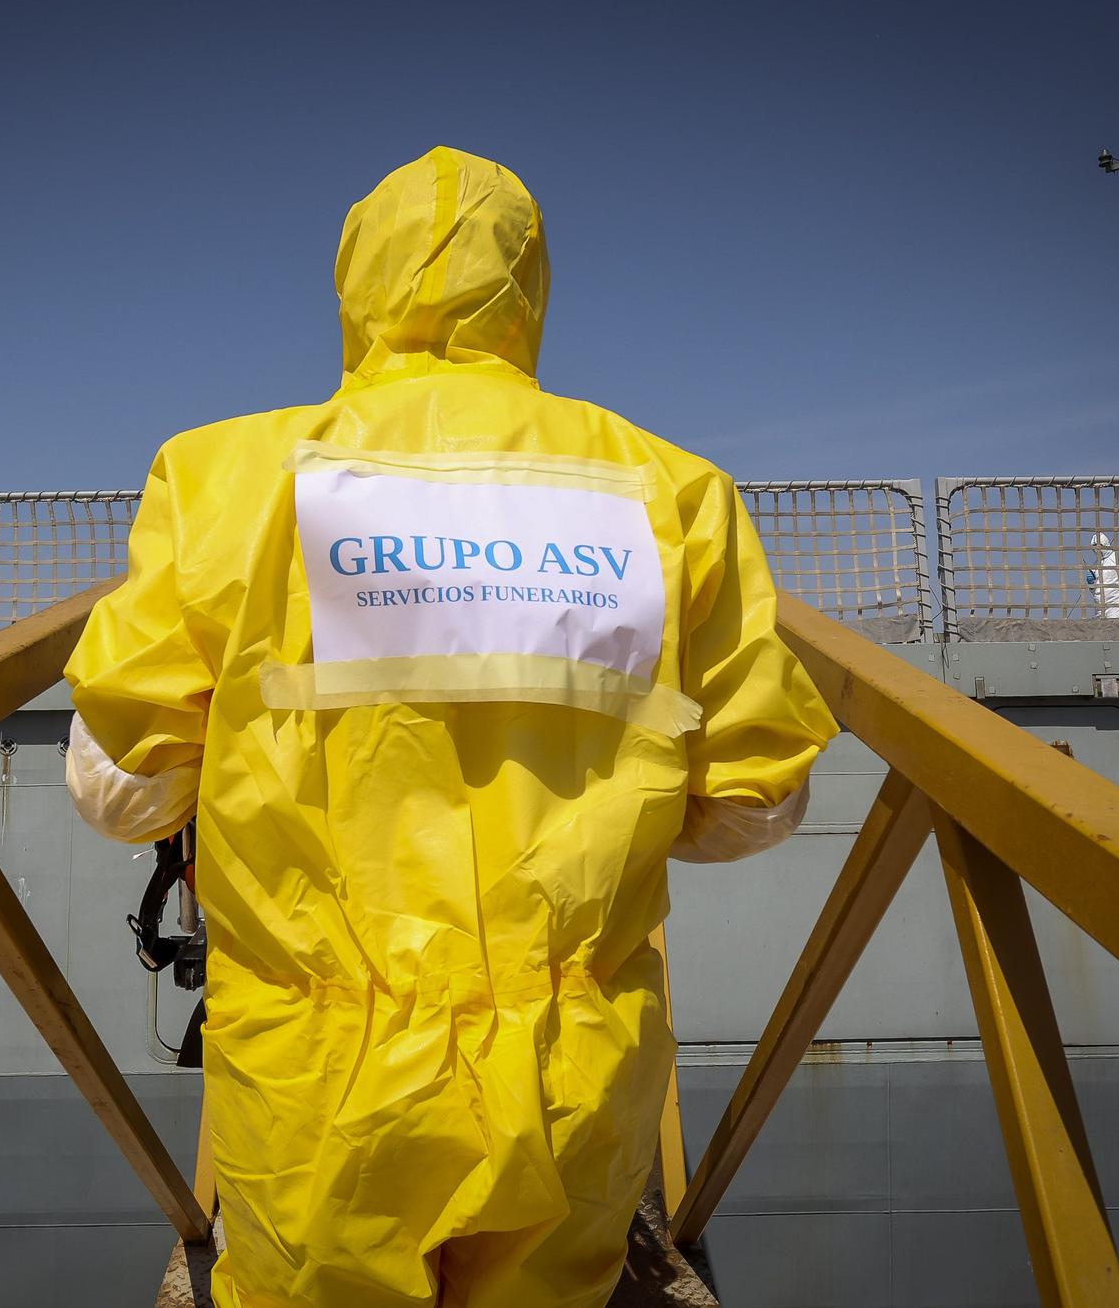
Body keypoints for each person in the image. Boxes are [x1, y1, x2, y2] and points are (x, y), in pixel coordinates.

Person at [62, 148, 835, 1308]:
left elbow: (123, 790)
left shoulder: (222, 474)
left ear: (354, 284)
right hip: (570, 1070)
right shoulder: (672, 491)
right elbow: (752, 805)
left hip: (314, 1081)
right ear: (528, 292)